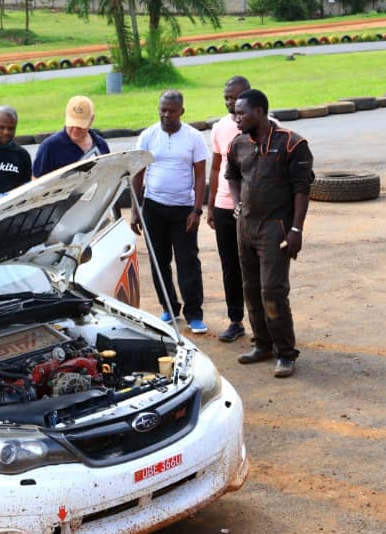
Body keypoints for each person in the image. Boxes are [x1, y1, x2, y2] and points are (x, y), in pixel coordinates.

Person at [225, 89, 313, 378]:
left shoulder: (292, 144)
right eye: (235, 112)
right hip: (246, 227)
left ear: (259, 112)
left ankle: (285, 353)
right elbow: (233, 176)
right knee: (250, 289)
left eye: (241, 113)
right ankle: (261, 344)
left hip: (276, 229)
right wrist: (237, 204)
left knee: (273, 291)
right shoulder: (238, 144)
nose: (236, 117)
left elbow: (302, 189)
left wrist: (296, 229)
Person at [130, 90, 209, 334]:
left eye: (171, 111)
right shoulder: (147, 136)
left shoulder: (194, 138)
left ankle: (194, 314)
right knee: (159, 260)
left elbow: (199, 175)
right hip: (154, 207)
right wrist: (136, 211)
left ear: (181, 112)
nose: (166, 115)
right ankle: (169, 307)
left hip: (183, 210)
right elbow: (137, 174)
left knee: (187, 261)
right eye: (162, 109)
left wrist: (197, 210)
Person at [207, 76, 251, 343]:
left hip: (256, 209)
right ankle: (236, 320)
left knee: (256, 267)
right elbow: (215, 168)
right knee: (230, 266)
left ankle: (265, 322)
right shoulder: (220, 128)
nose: (229, 102)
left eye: (234, 97)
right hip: (225, 207)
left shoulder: (269, 126)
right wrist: (211, 206)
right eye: (226, 97)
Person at [32, 96, 110, 178]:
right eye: (72, 124)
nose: (75, 129)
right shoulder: (49, 147)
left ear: (91, 119)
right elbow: (36, 182)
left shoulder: (101, 145)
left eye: (80, 125)